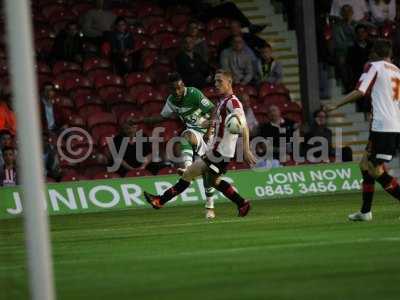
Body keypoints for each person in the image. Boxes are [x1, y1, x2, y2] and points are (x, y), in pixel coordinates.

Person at [144, 69, 256, 217]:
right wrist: (208, 126)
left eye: (220, 81)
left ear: (229, 82)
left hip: (219, 152)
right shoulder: (222, 102)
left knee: (189, 174)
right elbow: (219, 122)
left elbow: (243, 125)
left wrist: (247, 150)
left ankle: (159, 201)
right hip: (219, 151)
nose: (216, 84)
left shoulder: (233, 102)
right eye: (215, 81)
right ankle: (242, 204)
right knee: (213, 181)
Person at [324, 39, 400, 221]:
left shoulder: (374, 66)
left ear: (375, 52)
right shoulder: (397, 71)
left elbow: (361, 90)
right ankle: (365, 211)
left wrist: (336, 104)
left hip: (383, 126)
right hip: (392, 124)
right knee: (364, 165)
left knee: (374, 169)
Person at [139, 73, 217, 219]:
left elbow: (213, 109)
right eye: (174, 89)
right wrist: (140, 120)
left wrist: (210, 129)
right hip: (194, 133)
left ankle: (209, 207)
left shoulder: (193, 93)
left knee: (205, 173)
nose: (177, 92)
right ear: (169, 89)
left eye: (179, 88)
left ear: (183, 86)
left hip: (208, 133)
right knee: (186, 138)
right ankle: (161, 199)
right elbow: (162, 117)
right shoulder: (171, 100)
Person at [332, 4, 357, 93]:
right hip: (343, 51)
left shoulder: (356, 24)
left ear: (352, 13)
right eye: (345, 11)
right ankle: (347, 86)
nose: (347, 14)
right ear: (341, 13)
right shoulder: (337, 26)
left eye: (349, 11)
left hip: (355, 51)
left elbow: (358, 39)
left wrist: (350, 26)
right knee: (342, 60)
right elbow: (338, 43)